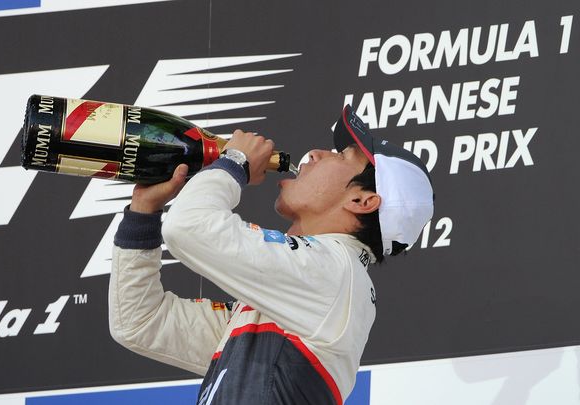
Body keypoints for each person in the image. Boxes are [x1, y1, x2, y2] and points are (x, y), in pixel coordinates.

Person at [108, 105, 434, 404]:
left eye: (342, 155)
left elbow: (188, 227)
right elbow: (142, 322)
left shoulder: (335, 275)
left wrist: (234, 161)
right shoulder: (305, 294)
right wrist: (143, 211)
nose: (315, 154)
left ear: (363, 202)